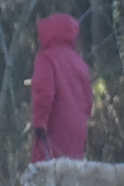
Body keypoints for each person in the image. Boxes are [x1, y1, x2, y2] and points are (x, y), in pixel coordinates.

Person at [31, 14, 92, 163]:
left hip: (54, 128)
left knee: (46, 172)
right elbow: (88, 101)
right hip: (78, 130)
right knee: (73, 172)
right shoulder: (79, 62)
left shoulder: (46, 58)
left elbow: (44, 94)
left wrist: (39, 123)